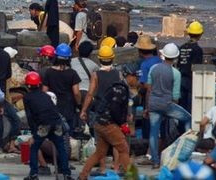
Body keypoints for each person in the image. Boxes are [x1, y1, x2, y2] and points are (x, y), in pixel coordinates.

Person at [79, 46, 130, 177]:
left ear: (99, 59)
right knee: (123, 148)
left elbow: (90, 94)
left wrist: (83, 110)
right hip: (111, 118)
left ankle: (84, 175)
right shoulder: (118, 74)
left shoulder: (96, 75)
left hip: (99, 115)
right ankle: (128, 174)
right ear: (112, 58)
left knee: (100, 152)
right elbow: (123, 96)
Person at [146, 42, 191, 169]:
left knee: (153, 132)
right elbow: (175, 96)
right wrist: (172, 114)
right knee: (188, 118)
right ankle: (184, 151)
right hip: (167, 104)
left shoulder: (153, 68)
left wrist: (147, 107)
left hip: (153, 104)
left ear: (163, 55)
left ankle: (155, 161)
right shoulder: (176, 73)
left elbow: (149, 90)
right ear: (176, 58)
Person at [23, 71, 72, 180]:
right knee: (61, 148)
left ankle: (33, 174)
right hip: (56, 124)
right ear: (39, 84)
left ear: (27, 85)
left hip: (43, 125)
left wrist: (33, 133)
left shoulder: (27, 97)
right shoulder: (45, 95)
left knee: (34, 147)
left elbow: (30, 117)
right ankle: (66, 174)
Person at [42, 44, 81, 136]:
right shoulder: (72, 73)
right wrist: (79, 104)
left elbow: (44, 91)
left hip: (53, 107)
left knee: (53, 134)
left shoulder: (49, 72)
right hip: (68, 107)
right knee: (68, 134)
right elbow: (76, 93)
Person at [135, 34, 161, 140]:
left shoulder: (144, 65)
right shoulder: (159, 60)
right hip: (163, 95)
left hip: (150, 97)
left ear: (140, 51)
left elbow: (145, 84)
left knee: (148, 122)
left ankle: (148, 145)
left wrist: (138, 85)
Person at [179, 21, 204, 112]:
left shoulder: (182, 47)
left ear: (189, 33)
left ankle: (180, 126)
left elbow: (178, 63)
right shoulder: (197, 50)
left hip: (181, 80)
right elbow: (196, 68)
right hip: (191, 82)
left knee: (182, 107)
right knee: (189, 108)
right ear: (200, 34)